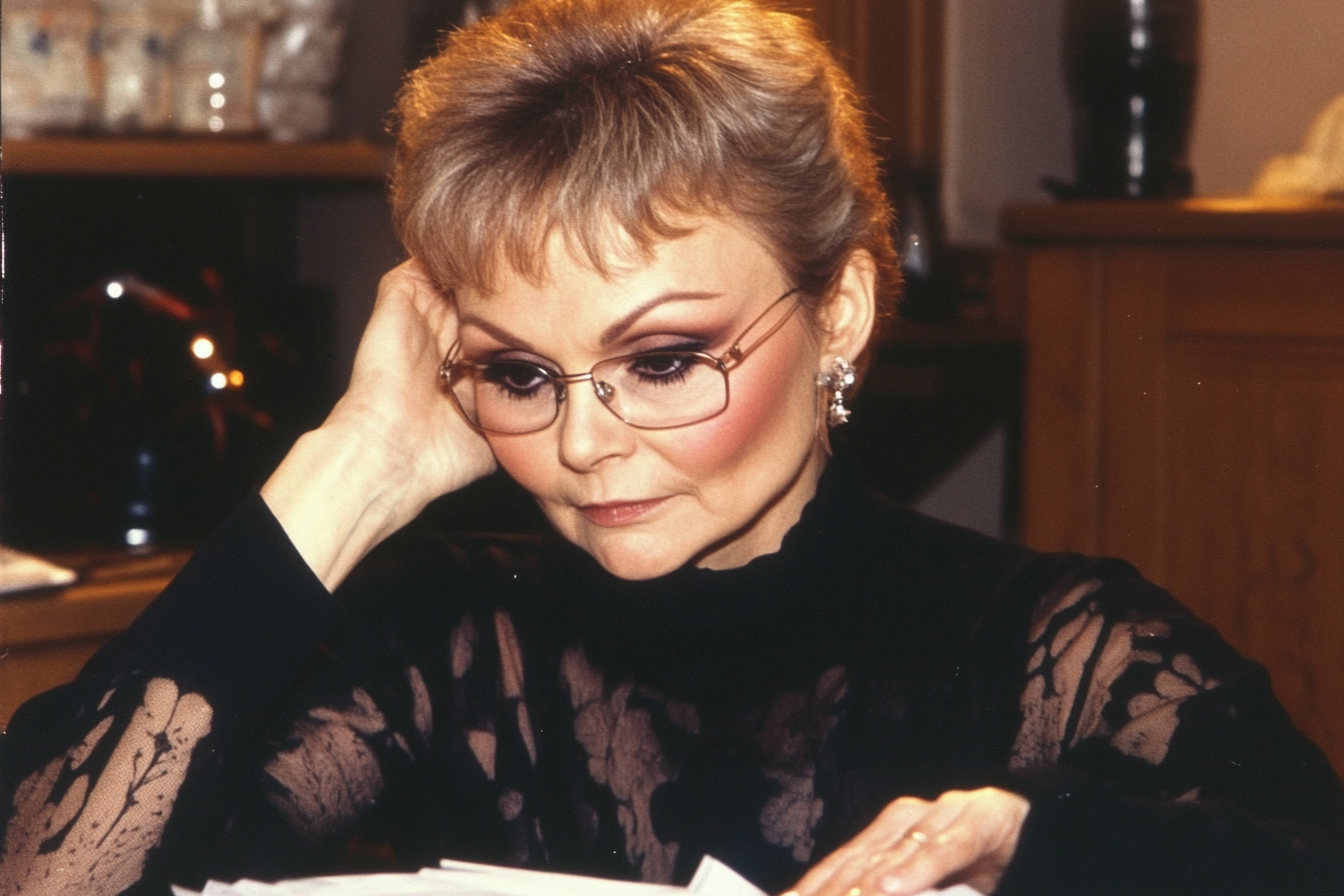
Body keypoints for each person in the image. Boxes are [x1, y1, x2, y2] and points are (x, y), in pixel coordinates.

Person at [2, 0, 1342, 893]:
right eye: (521, 372)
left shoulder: (1059, 649)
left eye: (661, 360)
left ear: (845, 310)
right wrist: (352, 469)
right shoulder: (440, 640)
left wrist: (1029, 850)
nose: (584, 441)